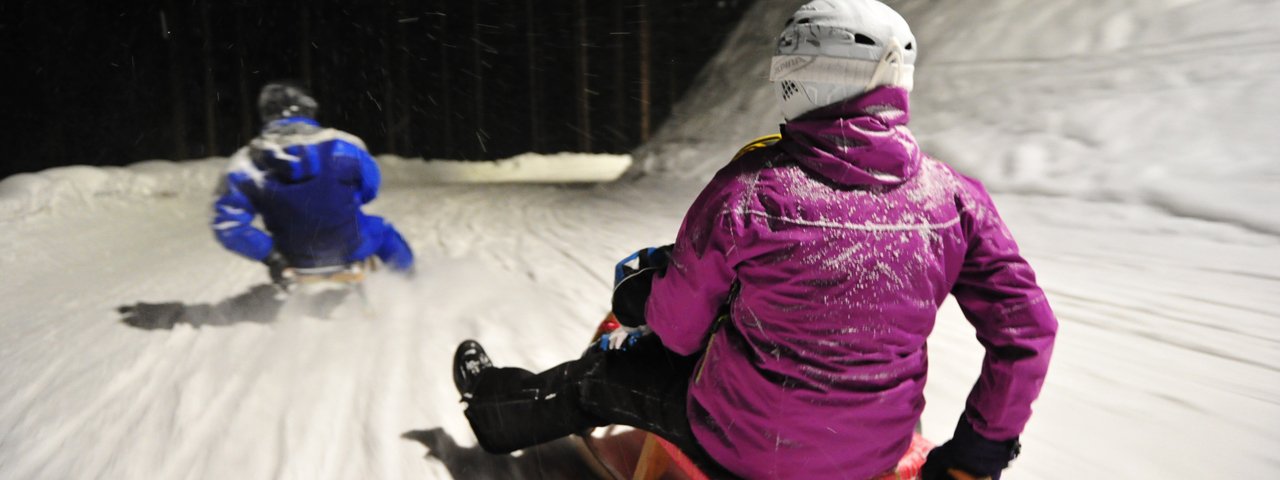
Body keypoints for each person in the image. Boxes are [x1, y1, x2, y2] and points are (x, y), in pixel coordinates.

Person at [452, 1, 1056, 479]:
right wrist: (977, 456)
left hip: (750, 447)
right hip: (876, 449)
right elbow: (1027, 331)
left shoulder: (753, 190)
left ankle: (490, 406)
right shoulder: (952, 197)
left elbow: (679, 332)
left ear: (802, 76)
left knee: (597, 378)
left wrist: (647, 295)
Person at [212, 82, 414, 286]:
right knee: (383, 231)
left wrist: (272, 256)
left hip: (292, 254)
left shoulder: (244, 164)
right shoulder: (345, 146)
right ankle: (411, 283)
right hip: (350, 244)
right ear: (308, 108)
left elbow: (227, 224)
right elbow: (370, 189)